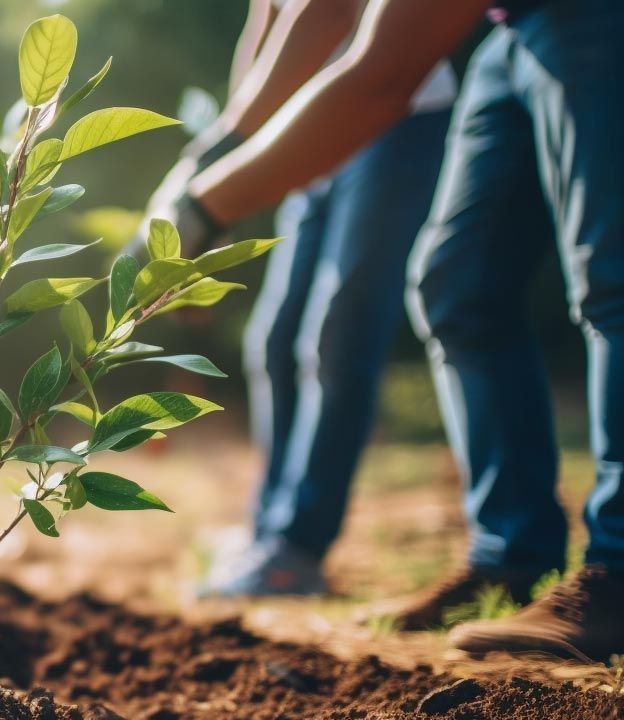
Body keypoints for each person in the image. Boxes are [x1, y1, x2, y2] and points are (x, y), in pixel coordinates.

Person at [152, 0, 623, 659]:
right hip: (511, 28)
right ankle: (511, 557)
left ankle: (617, 572)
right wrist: (216, 157)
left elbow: (379, 69)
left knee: (612, 275)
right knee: (458, 287)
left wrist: (202, 208)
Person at [130, 0, 456, 598]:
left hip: (391, 115)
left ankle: (297, 548)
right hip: (308, 129)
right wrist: (225, 152)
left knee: (336, 333)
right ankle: (268, 529)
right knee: (275, 338)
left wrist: (212, 167)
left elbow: (329, 14)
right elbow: (268, 26)